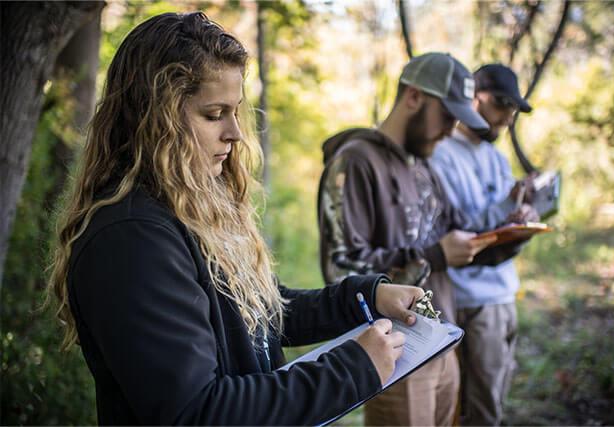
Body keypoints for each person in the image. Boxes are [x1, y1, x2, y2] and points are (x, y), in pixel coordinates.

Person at [45, 12, 427, 425]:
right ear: (155, 118)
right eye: (213, 114)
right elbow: (199, 411)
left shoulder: (189, 207)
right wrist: (352, 369)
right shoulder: (132, 240)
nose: (235, 133)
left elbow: (259, 317)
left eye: (235, 111)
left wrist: (365, 298)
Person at [317, 52, 522, 426]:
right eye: (446, 115)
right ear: (413, 97)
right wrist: (434, 256)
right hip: (397, 355)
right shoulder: (355, 162)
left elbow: (462, 240)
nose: (450, 129)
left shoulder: (425, 165)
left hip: (443, 345)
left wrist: (514, 232)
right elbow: (340, 271)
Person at [430, 63, 539, 426]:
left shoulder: (495, 156)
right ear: (477, 97)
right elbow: (456, 225)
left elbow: (497, 216)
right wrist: (506, 208)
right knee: (479, 409)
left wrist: (521, 209)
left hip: (505, 291)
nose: (508, 116)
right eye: (502, 105)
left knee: (495, 396)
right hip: (471, 298)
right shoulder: (441, 153)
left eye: (514, 109)